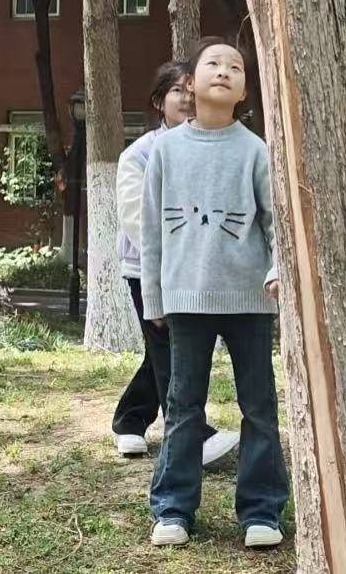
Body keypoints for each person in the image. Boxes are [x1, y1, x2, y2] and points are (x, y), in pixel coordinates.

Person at [141, 37, 288, 550]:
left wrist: (277, 272)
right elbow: (151, 230)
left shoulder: (256, 150)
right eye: (213, 64)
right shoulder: (166, 150)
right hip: (186, 301)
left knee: (259, 407)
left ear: (244, 90)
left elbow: (276, 223)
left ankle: (262, 511)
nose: (224, 71)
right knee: (183, 406)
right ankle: (173, 508)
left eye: (235, 67)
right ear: (190, 81)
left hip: (250, 300)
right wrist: (155, 299)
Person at [111, 62, 237, 470]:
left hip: (197, 268)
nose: (187, 99)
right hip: (148, 269)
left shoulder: (211, 147)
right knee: (169, 347)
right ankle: (191, 436)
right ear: (158, 102)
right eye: (177, 91)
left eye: (192, 91)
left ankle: (129, 420)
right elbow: (137, 219)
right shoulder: (139, 154)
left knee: (164, 349)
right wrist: (172, 258)